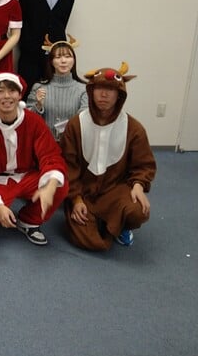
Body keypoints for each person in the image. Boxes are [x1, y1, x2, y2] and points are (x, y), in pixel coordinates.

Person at [61, 63, 156, 251]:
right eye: (99, 88)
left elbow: (144, 164)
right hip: (83, 192)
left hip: (115, 190)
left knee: (138, 211)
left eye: (110, 90)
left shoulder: (133, 128)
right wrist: (76, 199)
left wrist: (138, 185)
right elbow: (67, 166)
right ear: (91, 91)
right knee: (90, 242)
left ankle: (118, 223)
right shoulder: (76, 124)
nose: (104, 94)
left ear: (119, 95)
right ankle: (107, 220)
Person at [0, 72, 68, 246]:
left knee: (58, 185)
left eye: (12, 91)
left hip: (27, 175)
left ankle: (29, 220)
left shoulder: (34, 121)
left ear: (20, 94)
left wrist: (50, 185)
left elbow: (50, 154)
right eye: (0, 91)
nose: (6, 96)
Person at [18, 0, 75, 96]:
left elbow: (63, 20)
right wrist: (28, 46)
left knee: (55, 95)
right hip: (30, 54)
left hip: (57, 54)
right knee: (27, 94)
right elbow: (22, 22)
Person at [26, 38, 87, 140]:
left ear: (74, 60)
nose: (63, 61)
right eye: (58, 57)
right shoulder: (39, 87)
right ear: (51, 61)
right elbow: (28, 119)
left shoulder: (83, 89)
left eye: (68, 56)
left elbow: (85, 119)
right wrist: (38, 105)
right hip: (44, 142)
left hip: (72, 143)